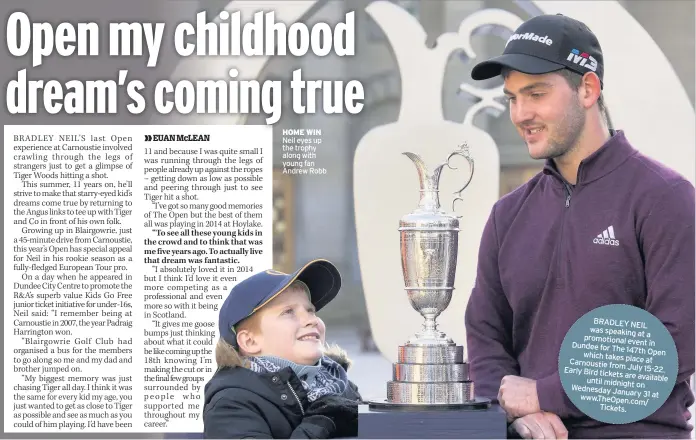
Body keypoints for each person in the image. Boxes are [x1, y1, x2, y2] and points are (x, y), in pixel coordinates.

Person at [465, 13, 695, 439]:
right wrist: (514, 413)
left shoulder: (665, 197)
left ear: (587, 89)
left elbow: (675, 344)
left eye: (536, 93)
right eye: (513, 97)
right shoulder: (508, 215)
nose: (520, 113)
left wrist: (546, 395)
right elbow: (485, 337)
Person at [203, 259, 362, 439]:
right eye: (288, 312)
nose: (312, 320)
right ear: (250, 341)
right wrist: (319, 424)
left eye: (310, 310)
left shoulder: (341, 384)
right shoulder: (231, 404)